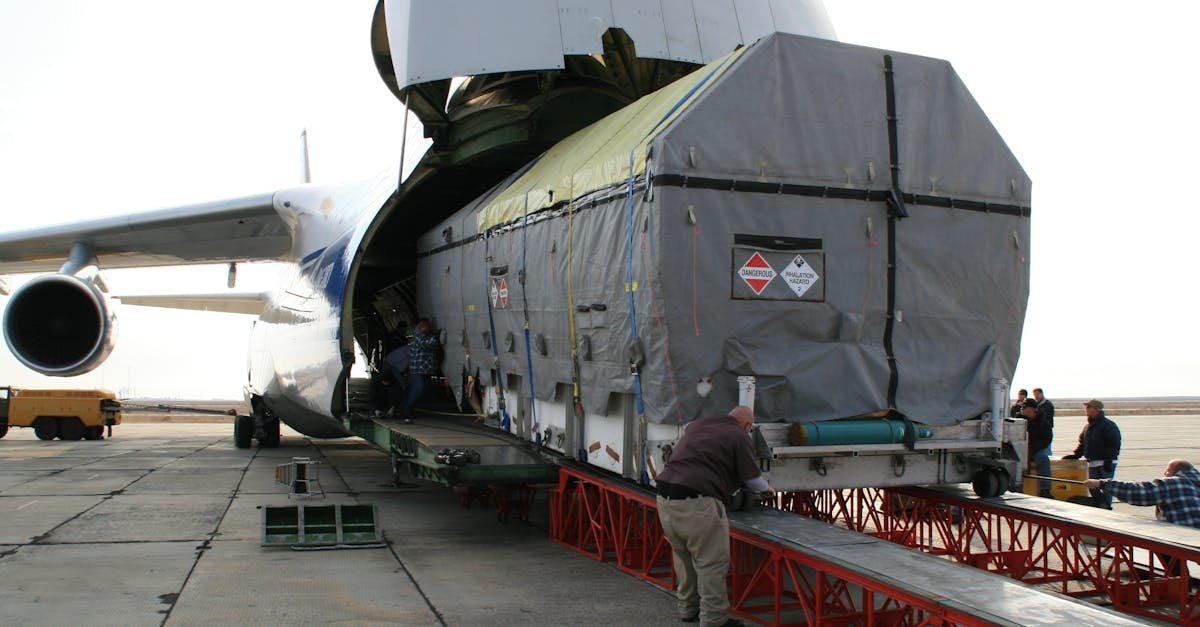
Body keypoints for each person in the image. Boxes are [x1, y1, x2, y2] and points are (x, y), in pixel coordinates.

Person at [655, 406, 773, 627]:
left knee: (683, 557)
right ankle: (714, 620)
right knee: (711, 563)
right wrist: (768, 488)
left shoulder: (697, 425)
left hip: (665, 496)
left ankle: (688, 609)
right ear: (748, 426)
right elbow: (752, 480)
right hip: (698, 501)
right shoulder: (738, 435)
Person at [1063, 399, 1121, 509]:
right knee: (1091, 486)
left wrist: (1108, 460)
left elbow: (1114, 443)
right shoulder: (1087, 427)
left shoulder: (1108, 425)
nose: (1086, 409)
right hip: (1093, 462)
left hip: (1106, 463)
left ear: (1096, 409)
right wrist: (1076, 455)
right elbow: (1082, 443)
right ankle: (1102, 505)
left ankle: (1106, 508)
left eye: (1089, 407)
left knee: (1107, 487)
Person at [399, 318, 440, 422]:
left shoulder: (423, 336)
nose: (426, 327)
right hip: (418, 369)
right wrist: (437, 335)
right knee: (418, 389)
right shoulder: (418, 337)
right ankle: (406, 410)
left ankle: (406, 408)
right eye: (425, 326)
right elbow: (428, 343)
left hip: (423, 369)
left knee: (418, 389)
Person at [1020, 398, 1053, 498]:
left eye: (1024, 407)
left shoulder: (1043, 423)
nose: (1022, 409)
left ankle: (1045, 490)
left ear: (1032, 409)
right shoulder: (1017, 421)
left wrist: (1032, 448)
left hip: (1035, 450)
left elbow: (1047, 439)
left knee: (1043, 459)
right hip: (1018, 449)